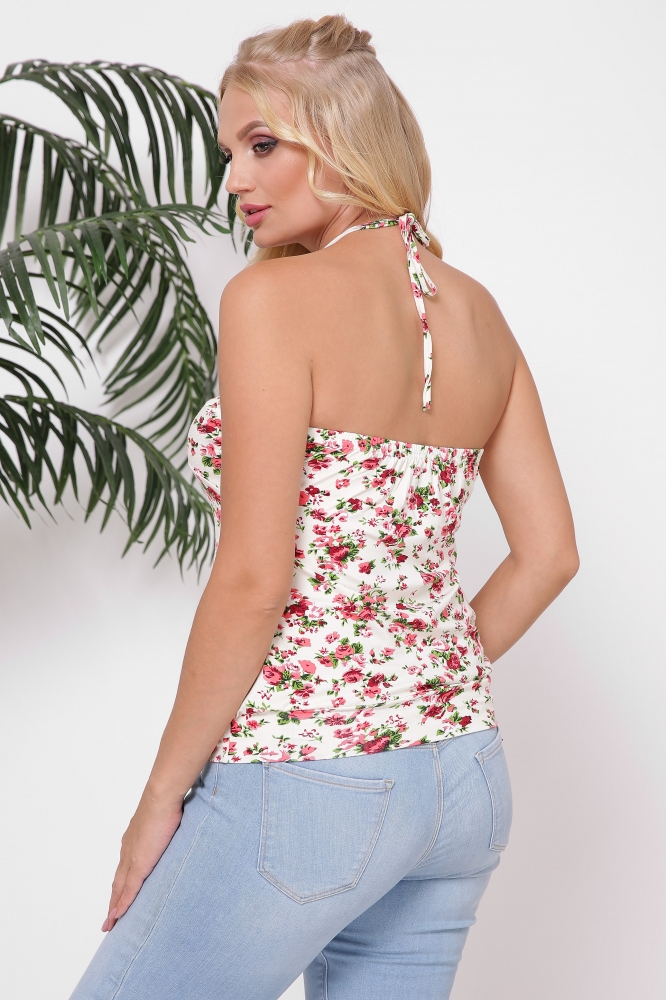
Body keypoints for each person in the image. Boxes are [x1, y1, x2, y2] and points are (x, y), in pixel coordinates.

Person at [70, 14, 578, 1000]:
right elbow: (550, 553)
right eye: (229, 152)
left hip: (311, 778)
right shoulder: (479, 312)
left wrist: (158, 799)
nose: (235, 180)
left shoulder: (272, 303)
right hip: (463, 779)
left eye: (263, 145)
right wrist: (415, 681)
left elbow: (254, 579)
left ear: (344, 139)